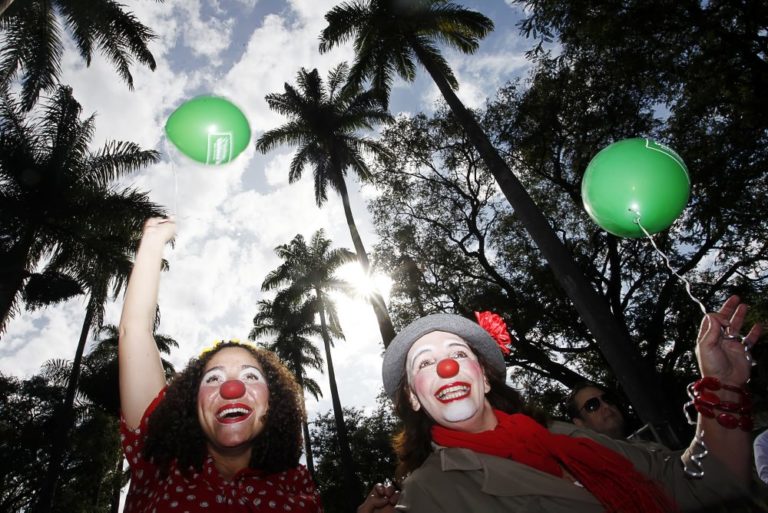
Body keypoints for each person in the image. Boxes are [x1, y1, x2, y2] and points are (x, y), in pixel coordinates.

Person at [359, 300, 760, 513]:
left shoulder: (563, 435)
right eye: (425, 364)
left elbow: (697, 481)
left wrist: (724, 386)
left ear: (483, 376)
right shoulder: (429, 492)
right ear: (414, 396)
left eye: (457, 354)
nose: (446, 368)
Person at [119, 218, 322, 512]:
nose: (231, 387)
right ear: (192, 404)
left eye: (250, 376)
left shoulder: (298, 486)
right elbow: (134, 331)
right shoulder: (159, 463)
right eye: (213, 379)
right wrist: (153, 238)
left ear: (272, 402)